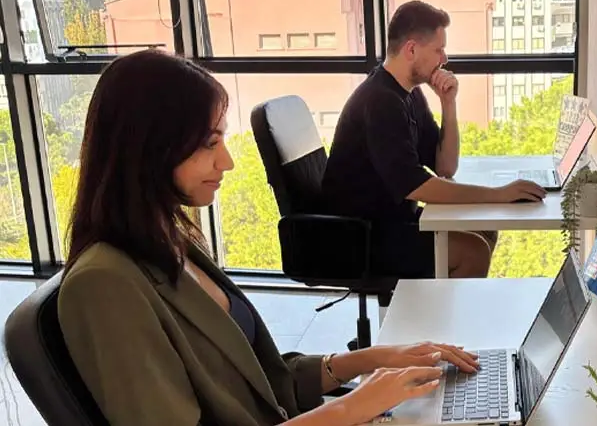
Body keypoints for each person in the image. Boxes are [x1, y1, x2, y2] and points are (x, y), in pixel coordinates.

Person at [57, 49, 481, 426]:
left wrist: (375, 359)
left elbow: (264, 382)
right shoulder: (105, 285)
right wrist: (354, 407)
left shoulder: (170, 240)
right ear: (148, 147)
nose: (227, 162)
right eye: (210, 143)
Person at [322, 0, 546, 278]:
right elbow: (417, 187)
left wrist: (448, 103)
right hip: (361, 236)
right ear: (412, 49)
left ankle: (441, 314)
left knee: (484, 228)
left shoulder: (409, 93)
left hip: (391, 222)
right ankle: (443, 320)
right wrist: (498, 195)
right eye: (438, 49)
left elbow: (445, 167)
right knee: (472, 251)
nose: (445, 59)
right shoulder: (380, 101)